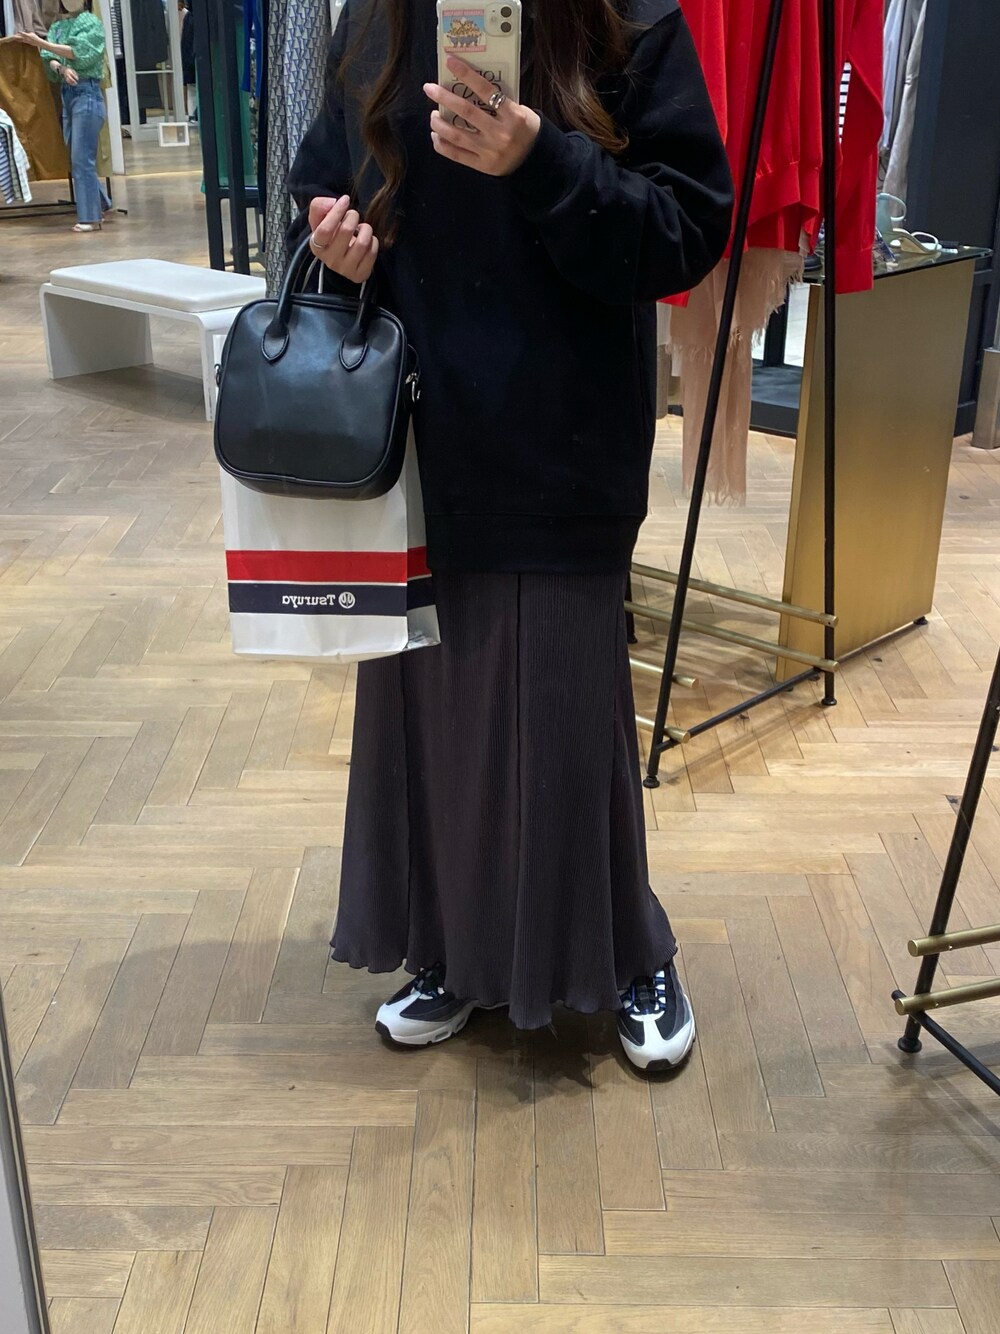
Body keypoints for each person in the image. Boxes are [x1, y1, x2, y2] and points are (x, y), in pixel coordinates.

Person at [288, 0, 733, 1073]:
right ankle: (454, 947)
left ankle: (629, 951)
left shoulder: (626, 20)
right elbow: (324, 182)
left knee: (568, 727)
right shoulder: (377, 23)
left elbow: (687, 226)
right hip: (417, 440)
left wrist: (541, 163)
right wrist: (340, 246)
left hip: (564, 446)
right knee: (432, 720)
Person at [16, 0, 110, 232]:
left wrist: (40, 43)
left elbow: (82, 52)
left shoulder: (90, 21)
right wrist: (61, 68)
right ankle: (100, 202)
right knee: (76, 155)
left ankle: (90, 217)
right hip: (69, 96)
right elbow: (50, 58)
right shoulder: (58, 26)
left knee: (81, 158)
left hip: (87, 93)